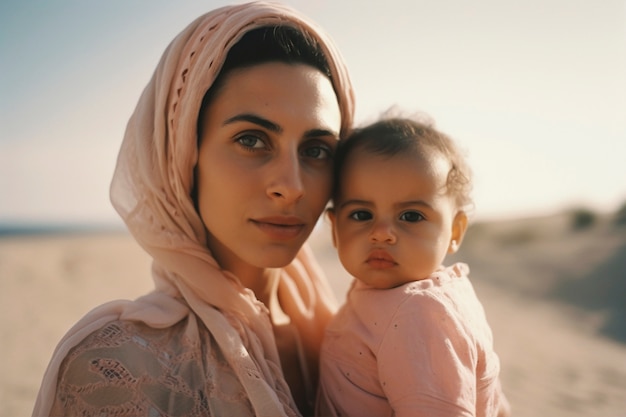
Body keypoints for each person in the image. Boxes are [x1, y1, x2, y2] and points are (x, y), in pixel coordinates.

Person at [32, 2, 355, 416]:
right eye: (252, 140)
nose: (291, 187)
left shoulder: (352, 338)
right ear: (185, 153)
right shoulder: (116, 367)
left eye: (316, 150)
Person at [316, 115, 510, 417]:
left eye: (411, 216)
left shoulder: (420, 314)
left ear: (455, 232)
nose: (381, 232)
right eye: (361, 215)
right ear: (334, 229)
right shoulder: (400, 298)